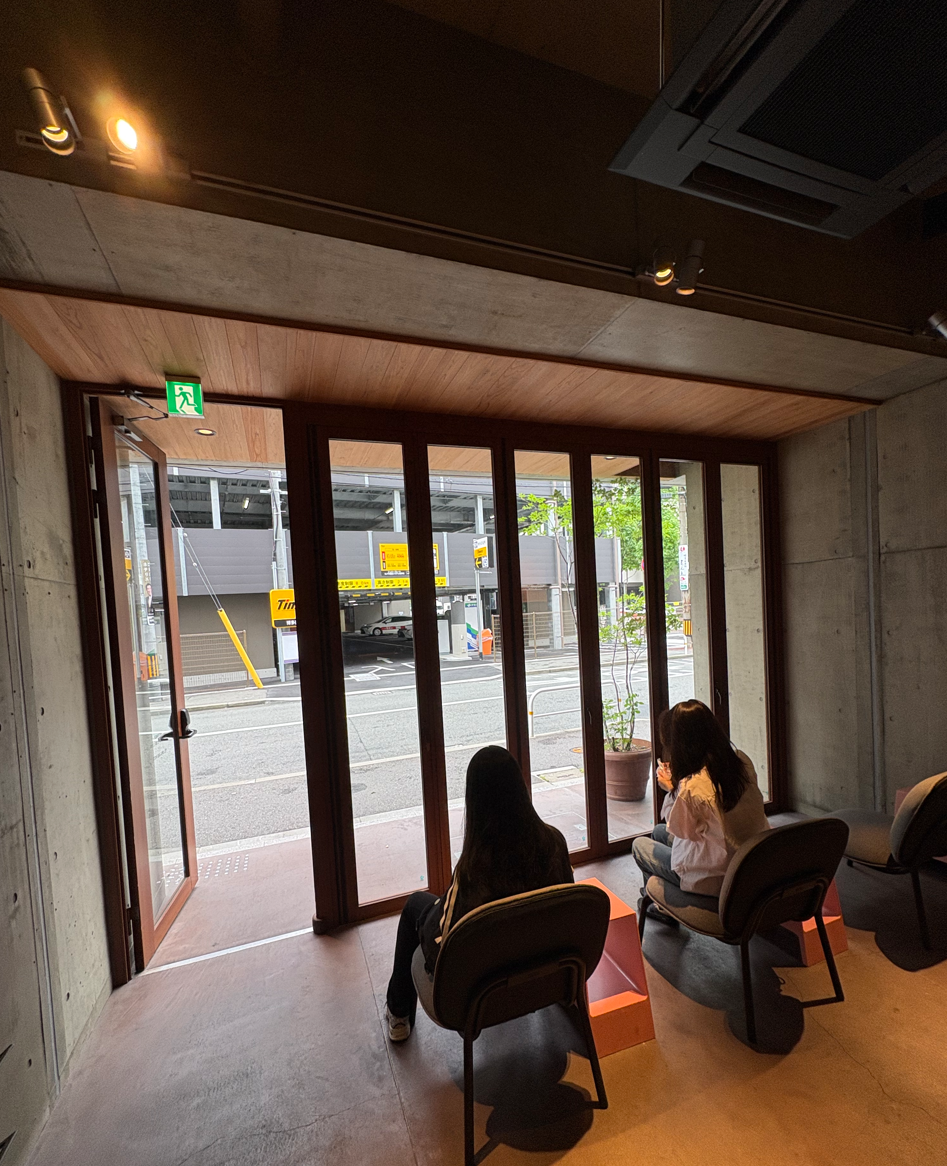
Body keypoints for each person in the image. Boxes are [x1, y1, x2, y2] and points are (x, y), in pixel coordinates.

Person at [384, 744, 573, 1042]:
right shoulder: (554, 843)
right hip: (546, 978)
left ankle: (398, 1012)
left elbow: (446, 944)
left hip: (483, 996)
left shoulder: (473, 870)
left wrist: (431, 918)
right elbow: (566, 908)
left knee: (414, 907)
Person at [632, 699, 769, 901]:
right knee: (658, 832)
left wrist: (672, 789)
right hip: (752, 864)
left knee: (640, 846)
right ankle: (654, 900)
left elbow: (681, 830)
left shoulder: (693, 787)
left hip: (715, 879)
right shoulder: (741, 761)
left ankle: (658, 905)